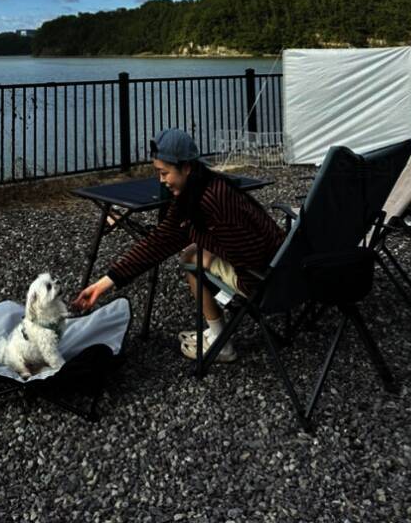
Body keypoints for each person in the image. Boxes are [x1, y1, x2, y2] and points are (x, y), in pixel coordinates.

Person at [72, 127, 285, 361]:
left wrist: (198, 237)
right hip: (286, 268)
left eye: (165, 173)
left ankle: (221, 342)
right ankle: (216, 334)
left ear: (186, 168)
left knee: (191, 257)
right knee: (194, 248)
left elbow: (247, 253)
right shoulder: (213, 185)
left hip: (261, 282)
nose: (161, 180)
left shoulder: (207, 201)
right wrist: (104, 284)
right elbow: (161, 240)